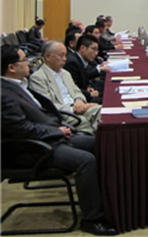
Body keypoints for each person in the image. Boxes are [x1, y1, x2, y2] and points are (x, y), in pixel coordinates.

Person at [1, 45, 117, 235]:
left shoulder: (20, 84)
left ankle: (109, 201)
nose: (29, 62)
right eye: (24, 60)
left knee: (102, 143)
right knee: (86, 161)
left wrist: (59, 130)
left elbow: (42, 113)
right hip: (33, 149)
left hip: (51, 136)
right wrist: (56, 131)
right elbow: (21, 130)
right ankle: (92, 218)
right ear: (11, 68)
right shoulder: (4, 94)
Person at [29, 41, 101, 134]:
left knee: (101, 111)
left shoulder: (65, 73)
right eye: (61, 55)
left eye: (65, 55)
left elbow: (76, 91)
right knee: (85, 122)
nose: (65, 59)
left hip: (78, 107)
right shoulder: (38, 78)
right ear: (48, 56)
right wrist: (73, 109)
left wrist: (79, 100)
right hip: (63, 114)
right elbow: (48, 105)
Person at [64, 35, 103, 103]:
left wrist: (88, 88)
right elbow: (72, 87)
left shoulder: (80, 60)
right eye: (93, 49)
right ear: (82, 48)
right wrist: (89, 94)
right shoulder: (72, 62)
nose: (96, 53)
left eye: (97, 50)